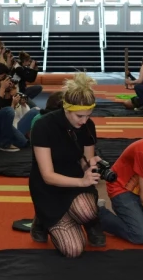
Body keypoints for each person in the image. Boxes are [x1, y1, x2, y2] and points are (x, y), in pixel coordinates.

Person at [29, 74, 106, 258]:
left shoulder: (88, 126)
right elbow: (47, 175)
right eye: (80, 116)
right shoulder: (43, 126)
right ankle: (42, 218)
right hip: (49, 186)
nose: (84, 121)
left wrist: (91, 165)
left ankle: (87, 222)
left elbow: (86, 161)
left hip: (75, 179)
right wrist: (82, 181)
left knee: (87, 212)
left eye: (89, 115)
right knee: (73, 250)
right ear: (66, 109)